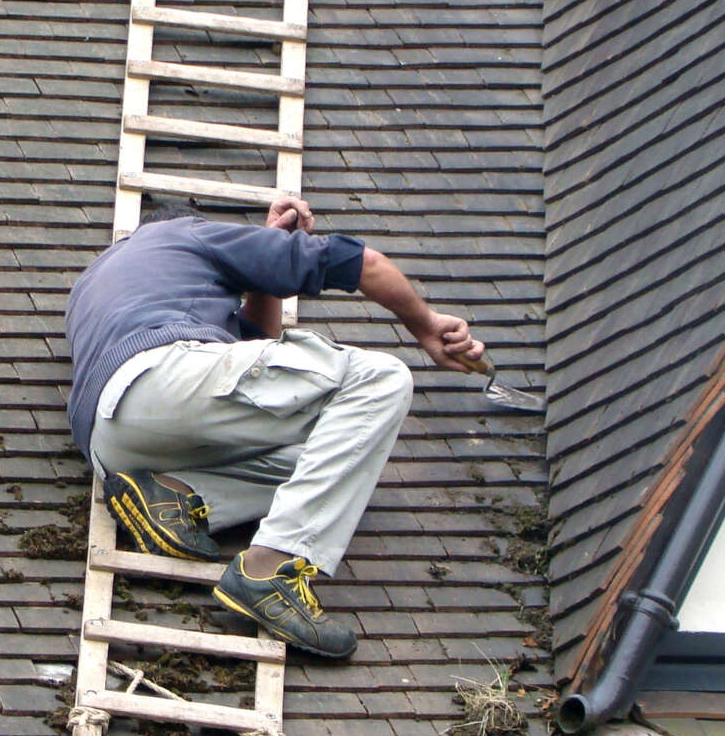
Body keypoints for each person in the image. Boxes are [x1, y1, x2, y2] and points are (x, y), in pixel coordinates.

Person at [64, 196, 484, 658]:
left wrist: (263, 273)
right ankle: (269, 568)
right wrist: (425, 324)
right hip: (165, 377)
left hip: (112, 442)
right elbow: (360, 262)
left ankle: (179, 494)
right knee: (381, 380)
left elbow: (254, 364)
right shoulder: (188, 233)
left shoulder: (93, 284)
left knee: (341, 454)